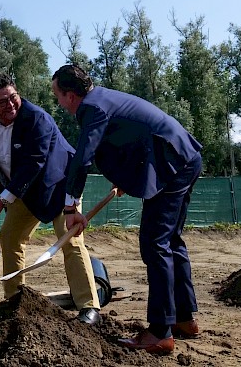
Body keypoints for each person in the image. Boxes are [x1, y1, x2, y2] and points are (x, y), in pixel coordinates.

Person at [51, 64, 203, 355]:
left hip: (170, 163)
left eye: (58, 95)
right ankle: (184, 319)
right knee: (171, 241)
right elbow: (130, 135)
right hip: (183, 156)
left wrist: (70, 206)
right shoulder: (104, 99)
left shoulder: (92, 109)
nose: (58, 102)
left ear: (70, 96)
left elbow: (83, 157)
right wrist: (124, 179)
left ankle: (160, 331)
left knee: (155, 243)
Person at [0, 74, 103, 325]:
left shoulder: (37, 119)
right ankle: (14, 300)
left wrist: (3, 199)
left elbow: (33, 162)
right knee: (10, 236)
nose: (11, 105)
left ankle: (90, 308)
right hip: (26, 190)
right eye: (2, 102)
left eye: (14, 97)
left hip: (59, 186)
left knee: (71, 242)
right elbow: (5, 149)